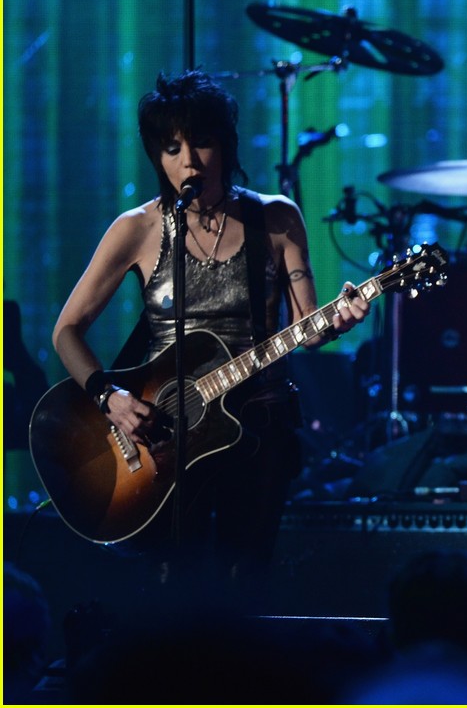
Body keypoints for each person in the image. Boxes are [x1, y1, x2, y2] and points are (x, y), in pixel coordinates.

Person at [51, 70, 369, 598]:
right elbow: (67, 331)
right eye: (171, 147)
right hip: (165, 437)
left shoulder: (276, 218)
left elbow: (306, 327)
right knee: (172, 582)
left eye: (201, 142)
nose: (189, 162)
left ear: (225, 143)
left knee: (246, 579)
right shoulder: (138, 228)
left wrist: (338, 321)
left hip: (257, 425)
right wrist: (110, 398)